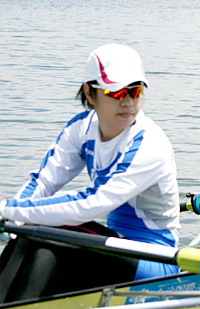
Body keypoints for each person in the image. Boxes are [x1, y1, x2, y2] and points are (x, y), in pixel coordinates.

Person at [0, 43, 180, 301]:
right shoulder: (80, 130)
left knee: (48, 232)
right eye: (116, 92)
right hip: (113, 246)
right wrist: (14, 222)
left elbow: (92, 203)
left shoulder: (149, 143)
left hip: (154, 258)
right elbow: (42, 182)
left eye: (135, 90)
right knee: (31, 234)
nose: (128, 102)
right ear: (90, 92)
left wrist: (8, 210)